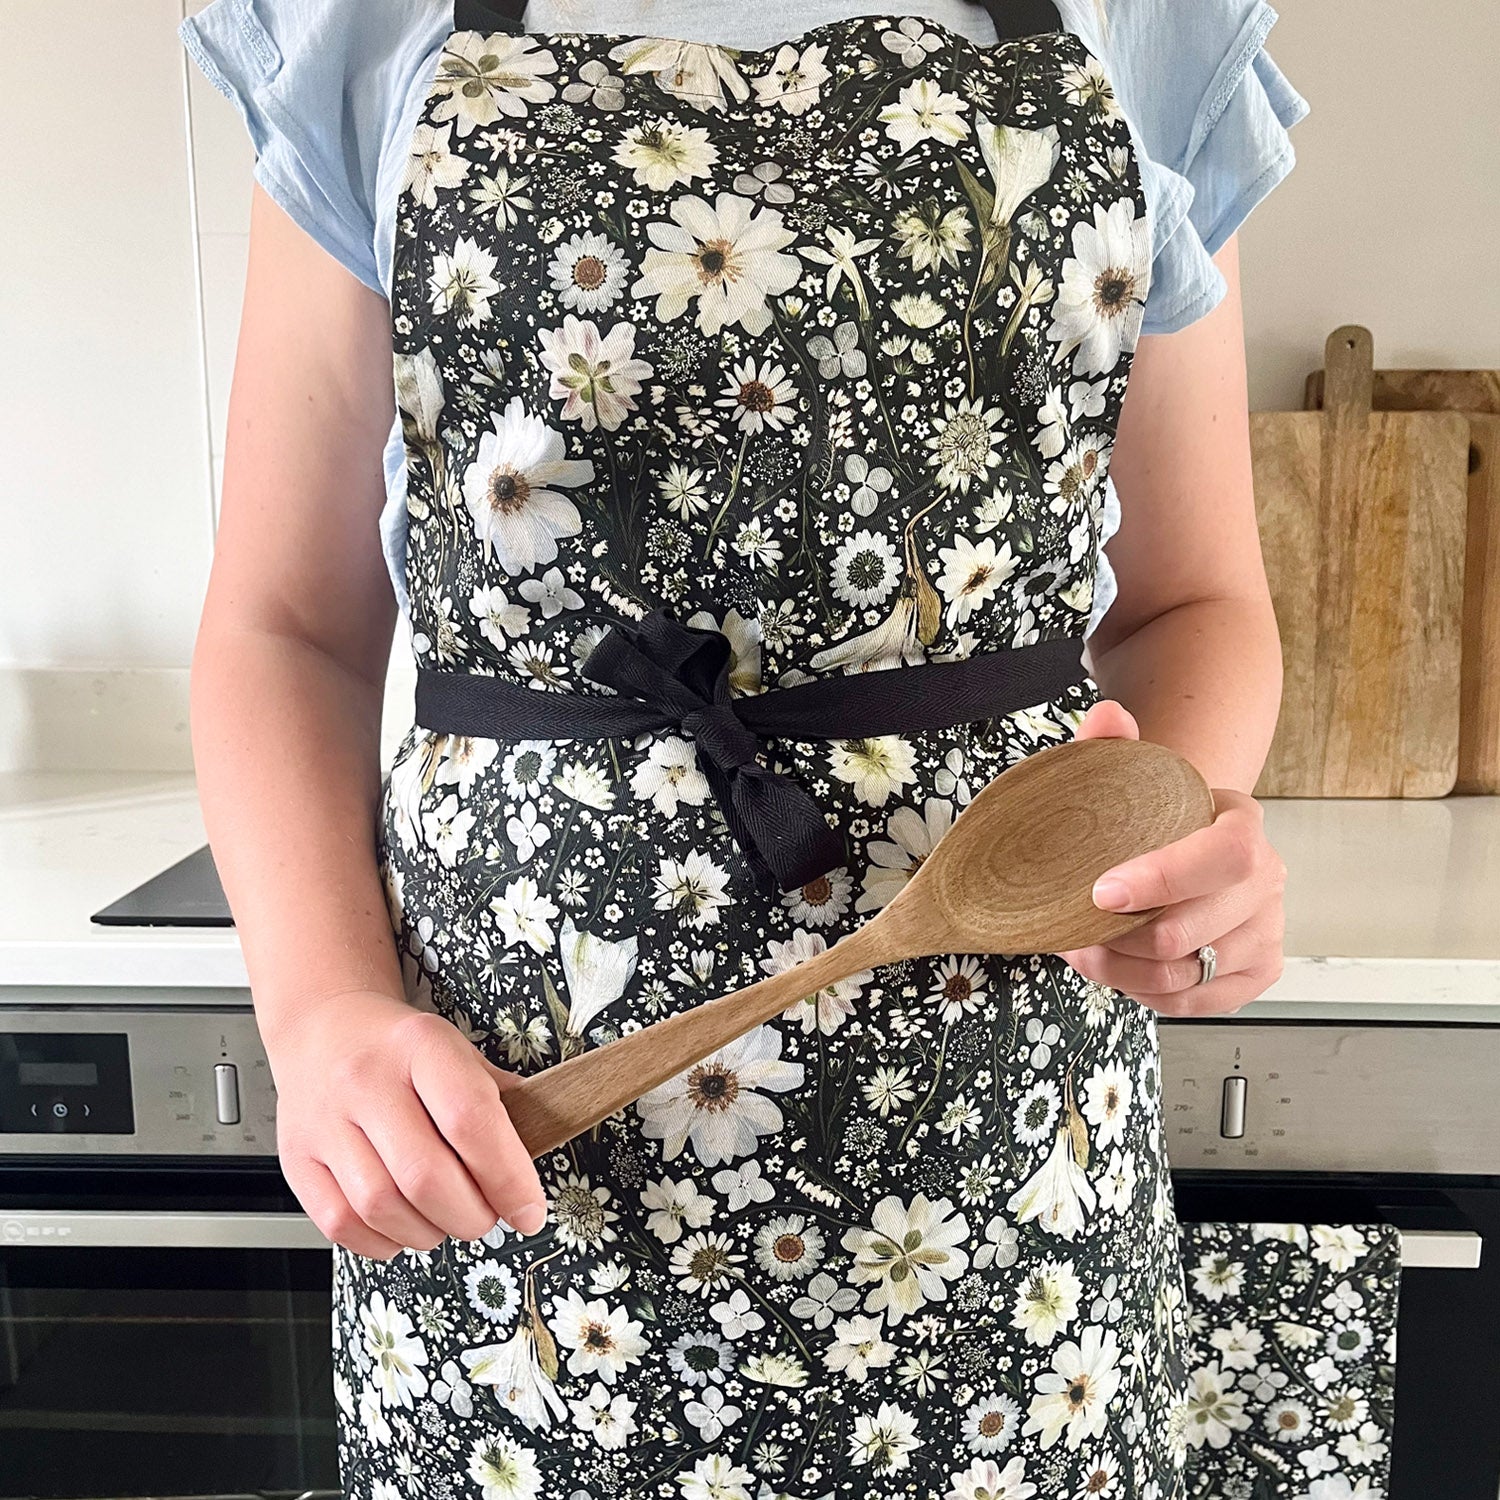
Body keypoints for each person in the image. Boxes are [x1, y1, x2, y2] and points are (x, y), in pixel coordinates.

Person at [179, 0, 1306, 1494]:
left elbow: (1198, 601)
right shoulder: (363, 24)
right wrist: (321, 1013)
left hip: (999, 1145)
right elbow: (284, 626)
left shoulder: (1142, 20)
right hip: (520, 1152)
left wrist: (1172, 835)